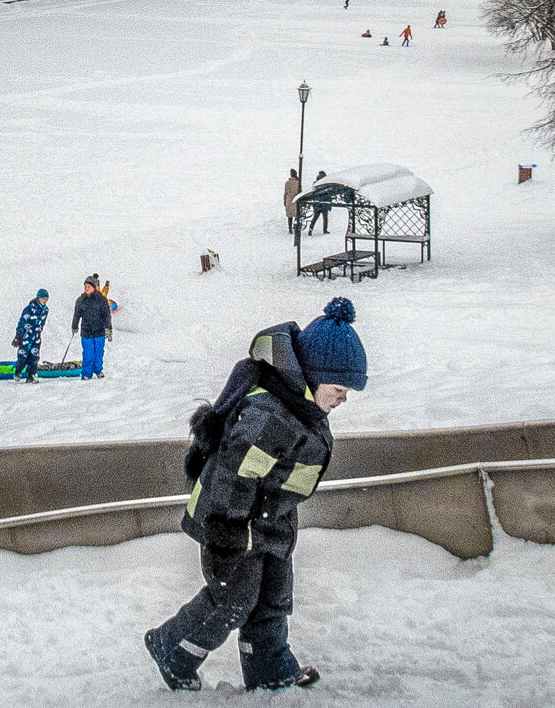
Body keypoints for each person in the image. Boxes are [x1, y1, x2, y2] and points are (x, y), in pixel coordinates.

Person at [144, 297, 368, 693]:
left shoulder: (303, 409)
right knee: (233, 600)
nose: (343, 397)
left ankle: (269, 669)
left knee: (273, 599)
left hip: (270, 521)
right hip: (230, 524)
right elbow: (234, 473)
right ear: (312, 377)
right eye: (338, 388)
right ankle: (172, 648)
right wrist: (226, 530)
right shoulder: (270, 415)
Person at [72, 277, 112, 380]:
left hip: (99, 331)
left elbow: (107, 315)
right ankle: (86, 373)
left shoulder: (101, 300)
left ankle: (98, 370)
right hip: (86, 331)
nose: (86, 288)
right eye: (85, 286)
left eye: (88, 286)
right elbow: (77, 314)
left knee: (98, 353)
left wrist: (108, 328)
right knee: (88, 354)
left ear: (94, 287)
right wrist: (74, 326)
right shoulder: (81, 300)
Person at [12, 289, 49, 383]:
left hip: (36, 338)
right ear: (38, 298)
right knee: (23, 356)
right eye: (43, 298)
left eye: (46, 299)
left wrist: (39, 330)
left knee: (34, 357)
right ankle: (18, 371)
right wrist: (18, 335)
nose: (45, 301)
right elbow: (22, 322)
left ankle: (31, 375)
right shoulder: (29, 309)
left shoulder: (45, 310)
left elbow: (42, 323)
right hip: (26, 337)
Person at [307, 170, 330, 235]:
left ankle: (310, 229)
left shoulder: (315, 183)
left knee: (315, 217)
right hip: (325, 202)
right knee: (325, 218)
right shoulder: (326, 183)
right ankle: (325, 230)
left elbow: (313, 192)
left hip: (317, 203)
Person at [282, 169, 300, 234]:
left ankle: (290, 229)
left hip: (289, 200)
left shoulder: (287, 183)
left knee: (289, 216)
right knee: (296, 214)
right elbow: (300, 192)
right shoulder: (298, 182)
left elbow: (285, 193)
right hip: (296, 199)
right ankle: (295, 227)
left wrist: (284, 201)